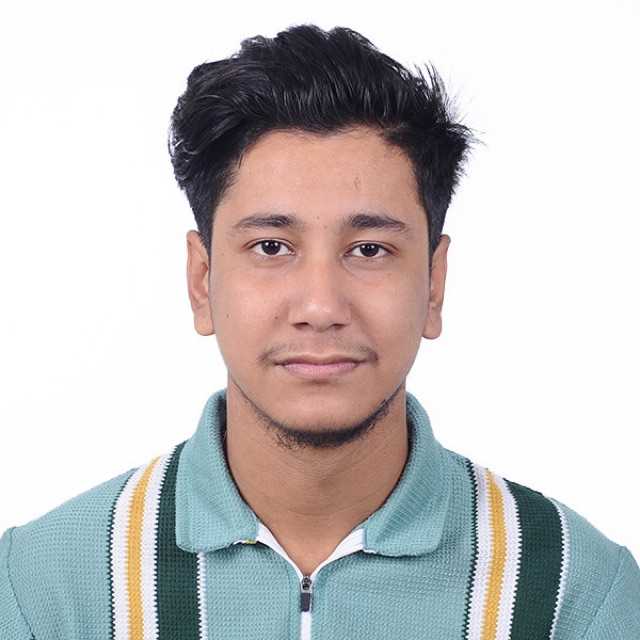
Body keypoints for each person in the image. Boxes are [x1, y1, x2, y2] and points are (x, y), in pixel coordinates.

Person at [1, 22, 638, 640]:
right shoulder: (42, 588)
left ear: (434, 284)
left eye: (369, 250)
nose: (320, 305)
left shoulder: (572, 593)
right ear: (202, 280)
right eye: (271, 246)